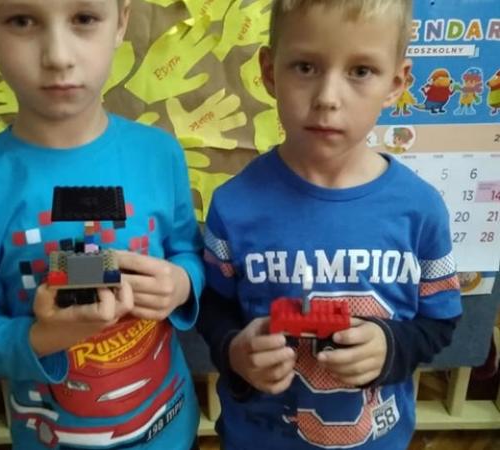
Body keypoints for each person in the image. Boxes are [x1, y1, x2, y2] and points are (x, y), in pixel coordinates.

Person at [0, 1, 204, 449]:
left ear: (121, 21)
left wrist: (182, 283)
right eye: (22, 21)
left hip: (171, 427)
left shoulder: (159, 154)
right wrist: (44, 337)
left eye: (84, 18)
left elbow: (188, 252)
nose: (58, 55)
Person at [196, 1, 462, 449]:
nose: (327, 98)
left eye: (360, 71)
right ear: (269, 71)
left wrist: (391, 346)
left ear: (396, 83)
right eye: (305, 67)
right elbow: (212, 305)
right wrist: (234, 350)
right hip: (256, 439)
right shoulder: (234, 205)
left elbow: (441, 322)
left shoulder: (421, 209)